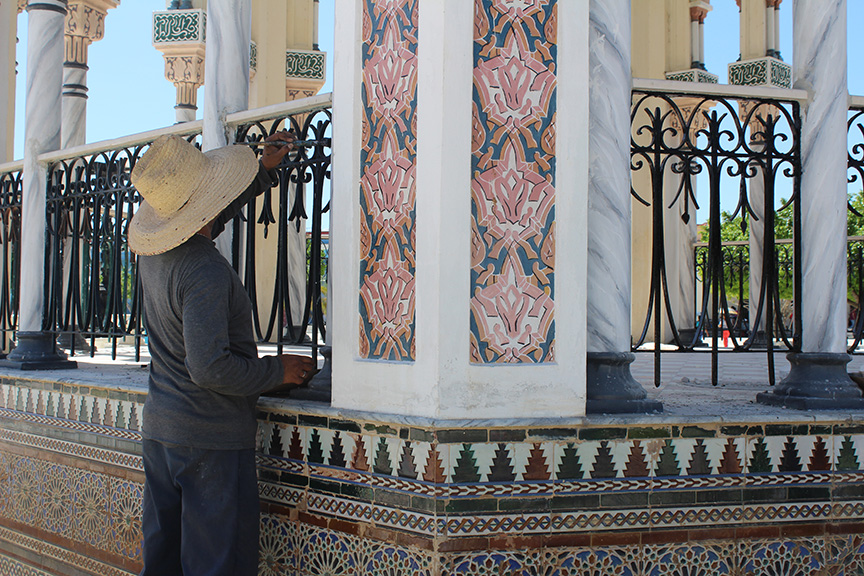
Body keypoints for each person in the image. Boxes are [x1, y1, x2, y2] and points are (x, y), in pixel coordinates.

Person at [128, 131, 316, 576]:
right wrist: (277, 371)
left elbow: (206, 218)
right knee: (216, 564)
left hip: (161, 432)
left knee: (163, 560)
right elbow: (209, 367)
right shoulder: (204, 272)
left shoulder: (155, 256)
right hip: (208, 439)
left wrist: (262, 173)